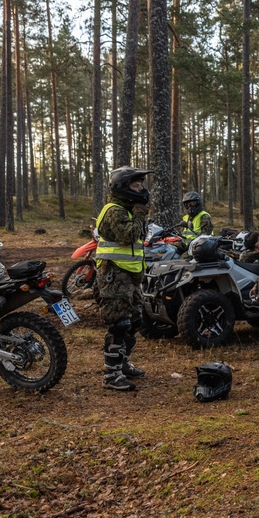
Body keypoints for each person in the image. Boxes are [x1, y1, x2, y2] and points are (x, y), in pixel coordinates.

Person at [95, 166, 153, 391]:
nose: (141, 189)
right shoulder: (114, 211)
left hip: (130, 275)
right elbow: (129, 235)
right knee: (119, 323)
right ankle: (111, 374)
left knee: (135, 320)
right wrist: (140, 213)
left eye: (141, 185)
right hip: (114, 274)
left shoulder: (128, 210)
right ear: (122, 187)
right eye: (136, 185)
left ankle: (123, 363)